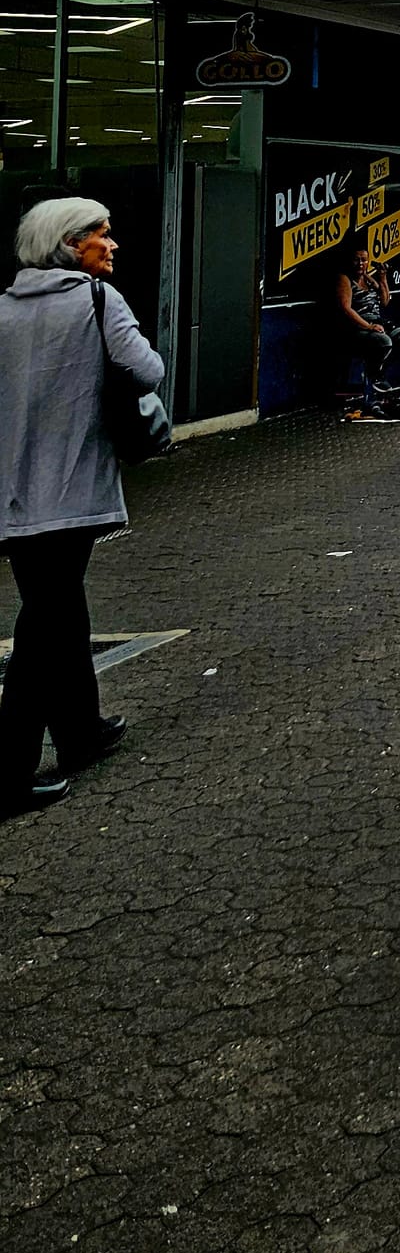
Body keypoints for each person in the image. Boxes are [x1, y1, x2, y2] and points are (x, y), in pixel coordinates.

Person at [0, 199, 164, 820]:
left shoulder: (4, 309)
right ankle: (8, 772)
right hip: (68, 492)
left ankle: (80, 731)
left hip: (13, 497)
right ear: (71, 245)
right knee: (44, 626)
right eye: (103, 234)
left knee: (59, 609)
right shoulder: (97, 302)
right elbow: (146, 370)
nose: (112, 244)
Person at [335, 240, 400, 414]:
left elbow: (384, 301)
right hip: (357, 326)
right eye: (357, 260)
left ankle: (379, 374)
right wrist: (369, 326)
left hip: (378, 322)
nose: (361, 264)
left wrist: (383, 278)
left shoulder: (368, 278)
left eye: (364, 260)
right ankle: (373, 378)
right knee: (383, 342)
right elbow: (346, 308)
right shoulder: (345, 279)